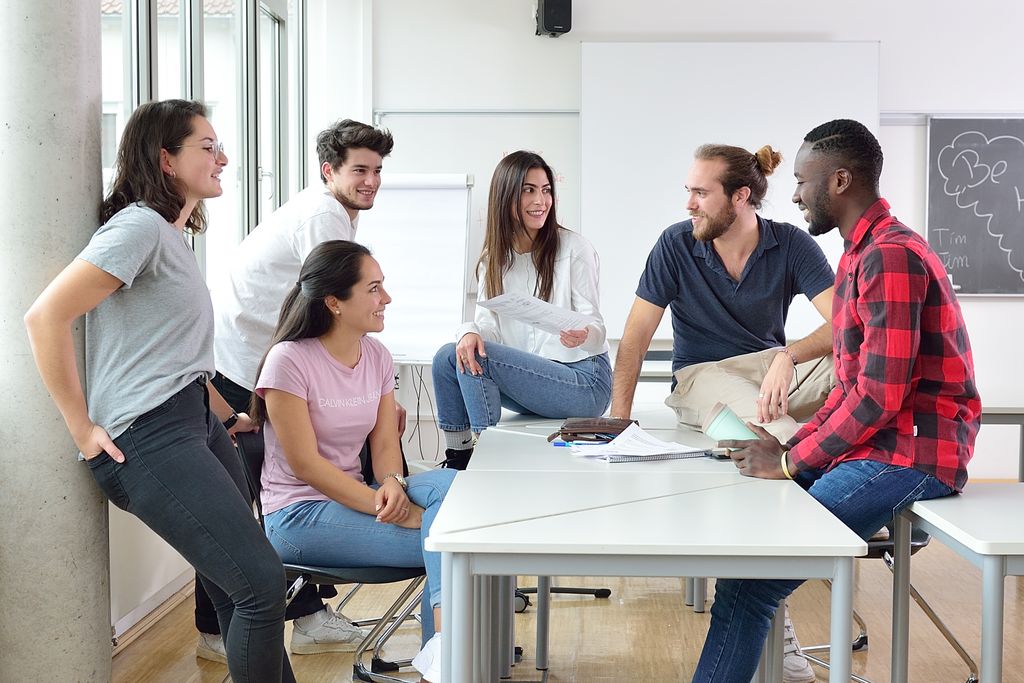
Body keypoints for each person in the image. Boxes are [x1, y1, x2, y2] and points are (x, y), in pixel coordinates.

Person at [691, 119, 982, 682]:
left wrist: (790, 461)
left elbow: (878, 396)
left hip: (913, 453)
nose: (794, 194)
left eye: (803, 181)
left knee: (751, 586)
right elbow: (852, 384)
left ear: (841, 180)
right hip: (880, 446)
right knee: (744, 571)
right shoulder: (858, 255)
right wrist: (792, 445)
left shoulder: (890, 257)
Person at [23, 100, 294, 683]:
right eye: (208, 146)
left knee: (239, 588)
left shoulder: (170, 238)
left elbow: (175, 357)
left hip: (191, 420)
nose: (224, 158)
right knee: (262, 585)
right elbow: (45, 318)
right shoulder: (139, 227)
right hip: (145, 436)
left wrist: (227, 416)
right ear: (166, 159)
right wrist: (81, 426)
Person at [609, 143, 837, 682]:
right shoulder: (675, 244)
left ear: (740, 197)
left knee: (860, 364)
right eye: (689, 190)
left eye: (700, 192)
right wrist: (619, 421)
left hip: (769, 369)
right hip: (703, 377)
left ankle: (853, 475)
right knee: (767, 433)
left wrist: (788, 355)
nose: (689, 202)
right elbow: (636, 336)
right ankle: (775, 614)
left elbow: (847, 325)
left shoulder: (790, 244)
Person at [198, 118, 396, 659]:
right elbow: (341, 299)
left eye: (378, 170)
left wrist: (372, 385)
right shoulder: (324, 216)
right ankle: (216, 629)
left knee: (277, 489)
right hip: (244, 364)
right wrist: (365, 377)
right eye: (360, 169)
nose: (371, 181)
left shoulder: (331, 211)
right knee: (233, 501)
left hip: (262, 357)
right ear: (329, 169)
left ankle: (306, 618)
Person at [252, 240, 456, 683]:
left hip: (357, 498)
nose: (387, 299)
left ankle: (443, 653)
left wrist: (393, 484)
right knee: (457, 541)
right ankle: (443, 657)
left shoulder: (378, 356)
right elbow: (305, 465)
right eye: (375, 289)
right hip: (297, 516)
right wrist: (383, 505)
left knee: (455, 486)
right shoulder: (289, 361)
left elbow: (385, 445)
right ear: (335, 303)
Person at [431, 150, 612, 469]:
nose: (540, 200)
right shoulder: (495, 260)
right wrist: (469, 331)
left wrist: (585, 334)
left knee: (477, 358)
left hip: (583, 382)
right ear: (506, 196)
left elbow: (596, 331)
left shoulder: (574, 249)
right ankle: (458, 457)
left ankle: (484, 458)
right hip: (535, 383)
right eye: (528, 190)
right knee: (449, 356)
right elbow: (487, 329)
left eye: (545, 190)